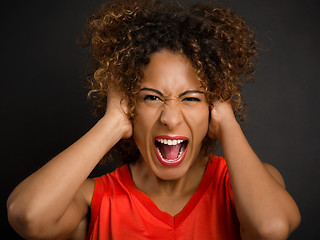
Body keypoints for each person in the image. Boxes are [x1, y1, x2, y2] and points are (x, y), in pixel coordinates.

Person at [7, 0, 301, 239]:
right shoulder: (94, 198)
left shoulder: (243, 185)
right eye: (151, 97)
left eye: (192, 98)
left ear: (212, 107)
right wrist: (112, 124)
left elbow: (271, 228)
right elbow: (27, 216)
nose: (170, 119)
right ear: (129, 106)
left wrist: (227, 123)